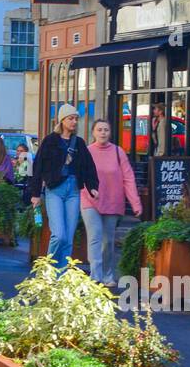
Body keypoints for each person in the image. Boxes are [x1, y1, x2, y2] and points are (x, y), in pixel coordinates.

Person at [29, 104, 99, 273]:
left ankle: (61, 275)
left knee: (68, 238)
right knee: (58, 234)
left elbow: (89, 167)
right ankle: (48, 270)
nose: (74, 121)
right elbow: (38, 167)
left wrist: (93, 187)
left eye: (76, 118)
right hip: (55, 190)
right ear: (62, 120)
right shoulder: (50, 141)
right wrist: (35, 194)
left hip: (73, 190)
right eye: (71, 118)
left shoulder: (80, 143)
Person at [80, 120, 142, 285]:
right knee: (95, 237)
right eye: (99, 129)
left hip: (113, 201)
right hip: (90, 200)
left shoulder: (118, 152)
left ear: (110, 133)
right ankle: (96, 276)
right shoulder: (86, 151)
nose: (103, 133)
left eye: (106, 130)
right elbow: (80, 176)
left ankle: (108, 274)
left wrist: (135, 203)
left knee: (108, 241)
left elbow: (128, 178)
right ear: (93, 132)